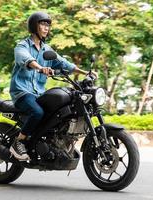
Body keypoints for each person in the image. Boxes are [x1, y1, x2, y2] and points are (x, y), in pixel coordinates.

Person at [9, 11, 97, 161]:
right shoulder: (22, 46)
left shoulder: (47, 50)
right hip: (22, 92)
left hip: (38, 93)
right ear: (34, 26)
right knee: (37, 113)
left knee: (58, 112)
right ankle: (19, 142)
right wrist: (40, 68)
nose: (46, 28)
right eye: (43, 24)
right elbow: (26, 59)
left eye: (48, 25)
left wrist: (86, 72)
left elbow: (65, 64)